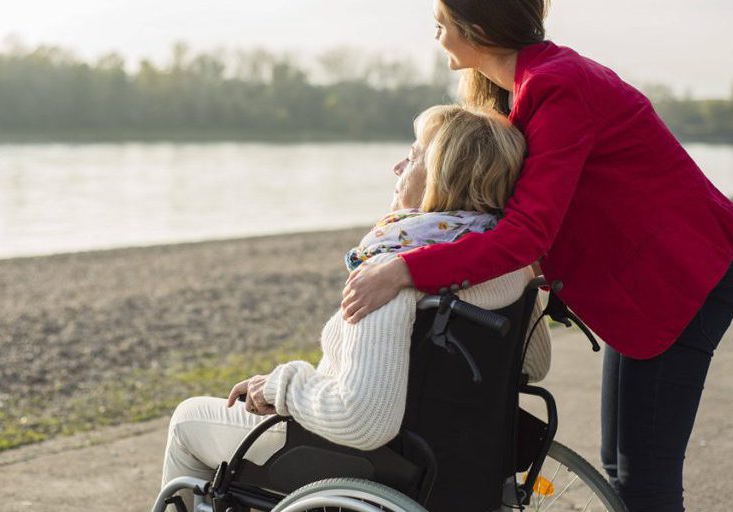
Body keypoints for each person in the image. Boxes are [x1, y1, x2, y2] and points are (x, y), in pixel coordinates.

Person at [339, 2, 733, 511]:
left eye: (442, 19)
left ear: (480, 26)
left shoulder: (557, 85)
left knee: (645, 480)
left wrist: (403, 269)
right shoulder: (528, 88)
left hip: (681, 281)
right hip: (646, 284)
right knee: (624, 467)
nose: (437, 30)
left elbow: (526, 234)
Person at [159, 105, 552, 507]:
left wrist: (282, 385)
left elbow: (363, 421)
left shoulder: (394, 274)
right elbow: (532, 366)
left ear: (442, 176)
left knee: (188, 419)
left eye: (414, 156)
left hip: (370, 461)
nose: (397, 166)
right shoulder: (510, 267)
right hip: (461, 462)